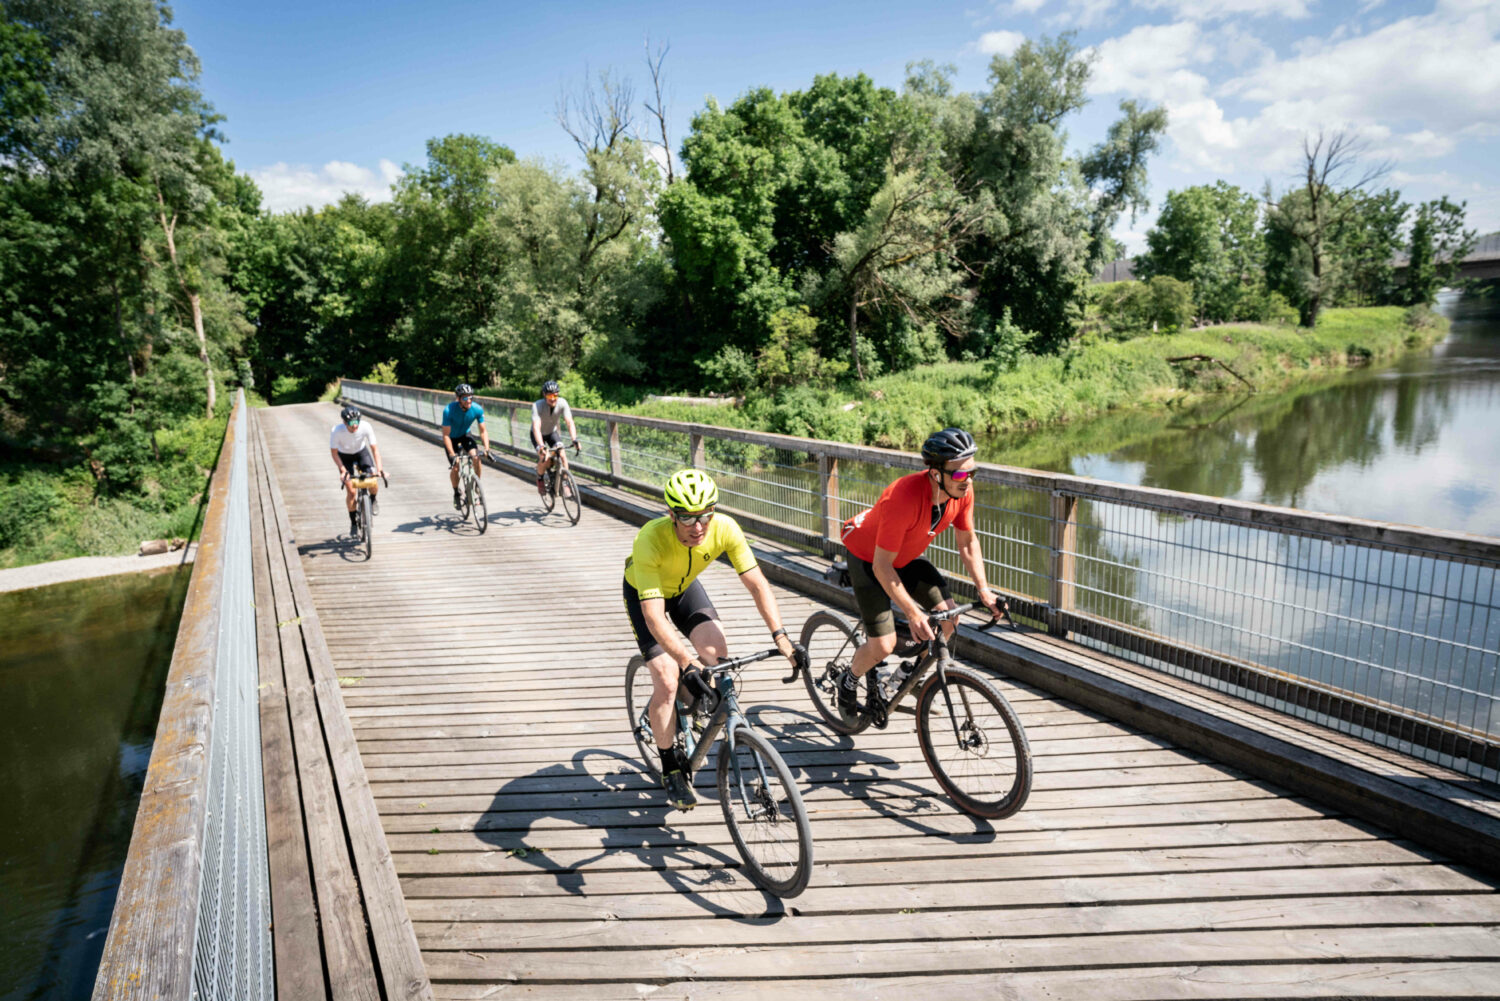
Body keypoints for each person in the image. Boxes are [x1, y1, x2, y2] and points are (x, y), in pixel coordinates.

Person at [623, 469, 804, 810]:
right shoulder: (650, 539)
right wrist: (684, 662)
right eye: (688, 518)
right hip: (647, 596)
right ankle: (670, 766)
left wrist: (781, 636)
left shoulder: (725, 528)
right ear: (671, 515)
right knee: (667, 677)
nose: (698, 526)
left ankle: (691, 706)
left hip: (684, 588)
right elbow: (653, 617)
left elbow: (757, 584)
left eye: (706, 515)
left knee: (717, 654)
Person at [835, 427, 1004, 713]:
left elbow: (967, 542)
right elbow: (882, 565)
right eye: (961, 474)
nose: (968, 480)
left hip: (906, 557)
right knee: (883, 645)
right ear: (936, 474)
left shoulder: (963, 491)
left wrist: (984, 591)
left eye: (973, 472)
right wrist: (913, 613)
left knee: (949, 622)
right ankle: (848, 680)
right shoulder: (902, 497)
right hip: (870, 559)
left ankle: (907, 679)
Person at [329, 405, 385, 536]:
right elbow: (334, 453)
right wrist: (343, 470)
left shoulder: (366, 426)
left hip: (361, 453)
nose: (354, 427)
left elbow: (375, 450)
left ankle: (372, 499)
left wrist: (380, 469)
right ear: (344, 422)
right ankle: (353, 522)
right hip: (344, 457)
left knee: (373, 480)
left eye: (356, 423)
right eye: (351, 424)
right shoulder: (336, 431)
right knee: (351, 491)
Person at [442, 383, 491, 510]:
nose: (468, 400)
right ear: (458, 399)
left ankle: (476, 486)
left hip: (465, 435)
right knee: (456, 467)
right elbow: (445, 435)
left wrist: (487, 448)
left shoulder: (477, 409)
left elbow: (483, 431)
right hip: (451, 438)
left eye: (470, 397)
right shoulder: (448, 410)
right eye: (465, 398)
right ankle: (456, 493)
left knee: (476, 458)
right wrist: (453, 454)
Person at [531, 379, 579, 497]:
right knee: (544, 457)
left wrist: (574, 439)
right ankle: (540, 478)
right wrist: (541, 446)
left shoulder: (562, 403)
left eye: (555, 395)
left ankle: (565, 482)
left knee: (562, 454)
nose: (552, 398)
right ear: (544, 395)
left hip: (552, 433)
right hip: (538, 435)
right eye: (549, 395)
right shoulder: (537, 405)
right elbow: (536, 427)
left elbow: (569, 422)